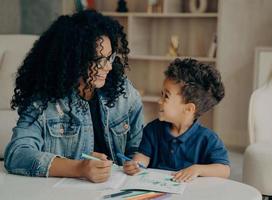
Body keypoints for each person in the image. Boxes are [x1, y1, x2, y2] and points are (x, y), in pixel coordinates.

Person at [4, 10, 144, 183]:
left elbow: (138, 148)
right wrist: (78, 168)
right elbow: (17, 153)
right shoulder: (44, 102)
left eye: (110, 57)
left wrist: (135, 162)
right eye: (98, 60)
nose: (108, 67)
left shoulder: (123, 92)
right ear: (74, 60)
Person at [123, 58, 230, 182]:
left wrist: (197, 169)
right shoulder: (152, 129)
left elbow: (224, 170)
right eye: (161, 94)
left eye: (166, 96)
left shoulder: (208, 138)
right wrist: (136, 165)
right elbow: (143, 156)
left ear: (189, 109)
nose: (159, 101)